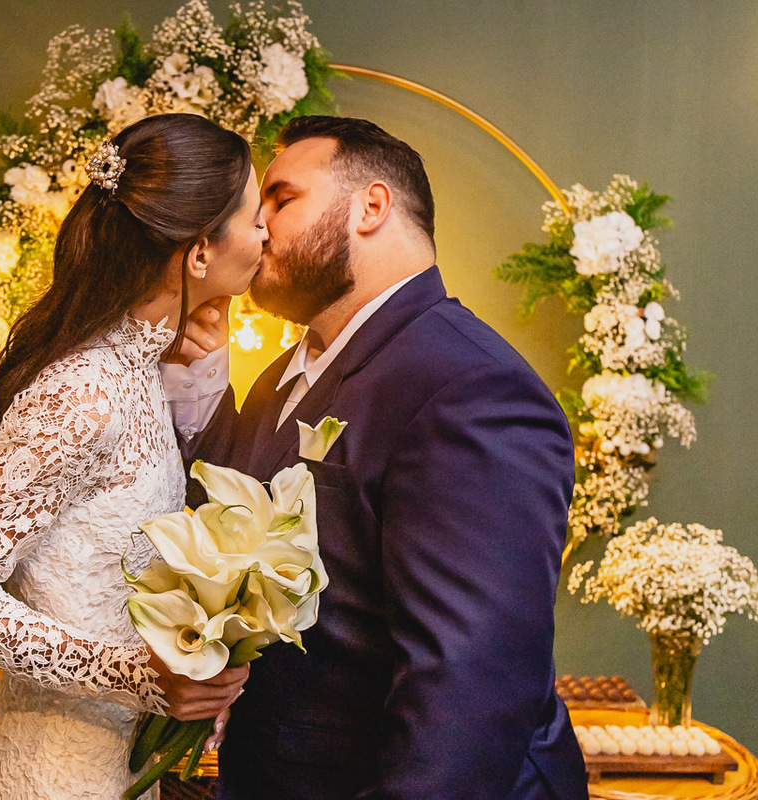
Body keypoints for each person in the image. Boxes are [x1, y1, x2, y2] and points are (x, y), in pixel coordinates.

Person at [170, 116, 589, 799]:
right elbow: (214, 525)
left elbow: (466, 695)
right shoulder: (281, 375)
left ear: (371, 206)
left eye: (280, 198)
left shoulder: (471, 388)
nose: (259, 226)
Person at [0, 113, 267, 800]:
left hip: (116, 768)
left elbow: (178, 481)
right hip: (55, 776)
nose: (266, 233)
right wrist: (134, 676)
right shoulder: (84, 392)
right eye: (253, 218)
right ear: (197, 251)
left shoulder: (136, 366)